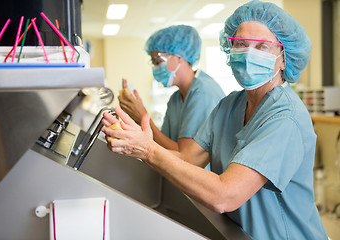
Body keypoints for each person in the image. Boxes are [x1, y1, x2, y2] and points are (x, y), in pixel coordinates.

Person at [102, 0, 328, 239]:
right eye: (241, 44)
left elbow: (225, 195)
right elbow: (188, 159)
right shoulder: (229, 105)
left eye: (262, 46)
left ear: (283, 58)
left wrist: (149, 151)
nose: (249, 54)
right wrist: (142, 144)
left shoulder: (286, 118)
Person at [118, 25, 225, 157]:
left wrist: (144, 117)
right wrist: (137, 117)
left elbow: (185, 156)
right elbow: (161, 144)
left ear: (180, 56)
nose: (155, 68)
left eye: (158, 62)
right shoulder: (176, 98)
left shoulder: (203, 93)